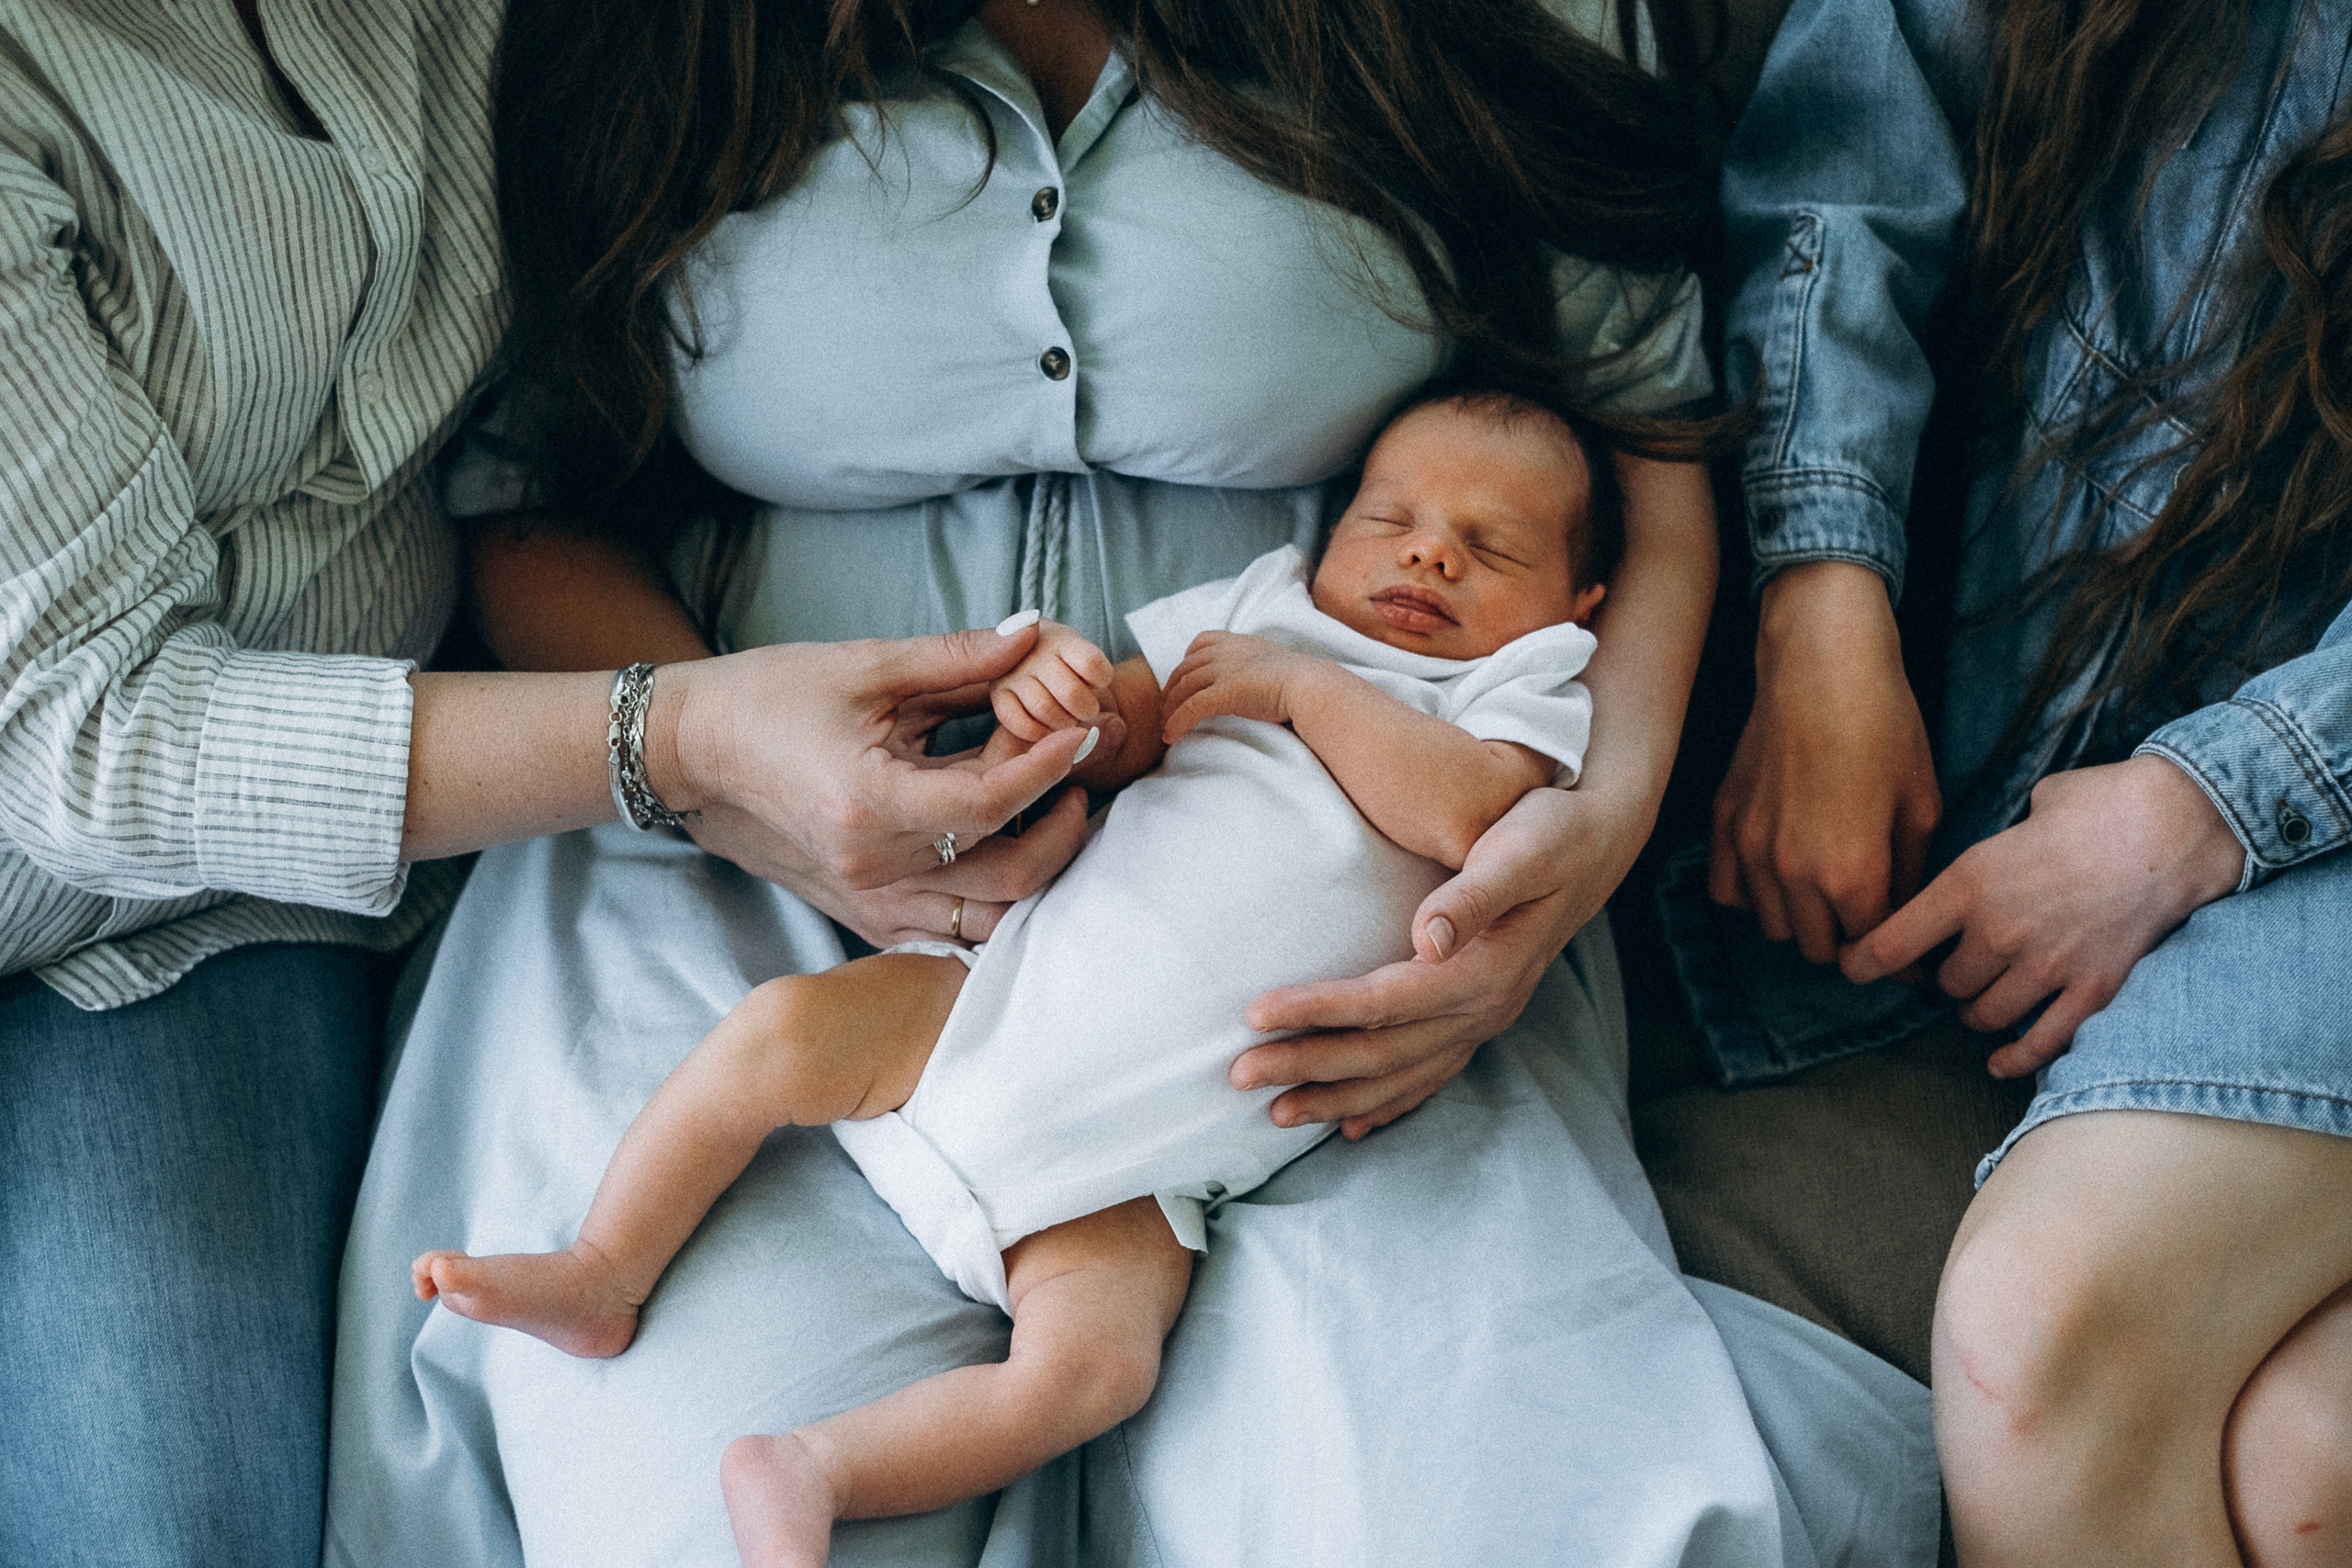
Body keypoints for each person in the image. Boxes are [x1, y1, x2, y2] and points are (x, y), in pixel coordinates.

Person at [327, 2, 1941, 1564]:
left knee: (1435, 1516)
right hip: (737, 869)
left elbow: (1648, 417)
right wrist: (720, 776)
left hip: (1334, 954)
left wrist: (1598, 809)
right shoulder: (640, 40)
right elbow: (527, 493)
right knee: (705, 1497)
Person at [0, 5, 1109, 1564]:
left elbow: (527, 454)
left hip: (279, 901)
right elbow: (94, 753)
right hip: (61, 874)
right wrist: (695, 743)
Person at [407, 389, 1611, 1564]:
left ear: (1575, 607)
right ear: (1331, 531)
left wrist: (1306, 689)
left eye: (1490, 548)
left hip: (1146, 1168)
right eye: (1388, 520)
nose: (1430, 558)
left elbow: (1463, 816)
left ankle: (815, 1470)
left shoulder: (1513, 692)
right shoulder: (1263, 607)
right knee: (776, 1037)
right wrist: (1064, 699)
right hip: (1002, 996)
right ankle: (604, 1268)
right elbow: (1122, 736)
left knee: (1094, 1372)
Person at [1699, 0, 2352, 1560]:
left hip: (2293, 803)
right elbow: (1843, 174)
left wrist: (2204, 805)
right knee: (2308, 1466)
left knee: (2046, 1348)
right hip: (2044, 773)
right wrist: (1824, 593)